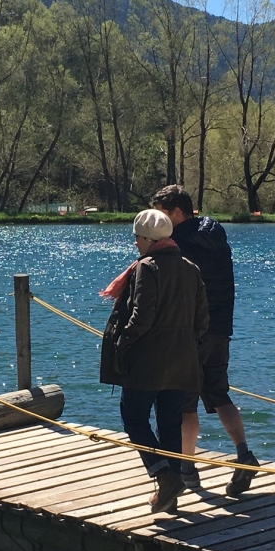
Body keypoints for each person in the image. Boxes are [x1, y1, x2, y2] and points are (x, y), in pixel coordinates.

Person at [152, 184, 260, 497]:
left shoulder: (178, 243)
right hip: (220, 330)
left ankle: (186, 469)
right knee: (219, 393)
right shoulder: (216, 235)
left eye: (161, 215)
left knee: (185, 404)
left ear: (176, 212)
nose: (159, 222)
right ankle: (244, 454)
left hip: (191, 332)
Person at [100, 209, 209, 514]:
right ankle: (169, 494)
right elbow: (203, 320)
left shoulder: (147, 268)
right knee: (170, 424)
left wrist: (122, 343)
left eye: (137, 237)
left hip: (149, 363)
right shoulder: (190, 267)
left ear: (148, 238)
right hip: (183, 361)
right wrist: (186, 344)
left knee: (133, 418)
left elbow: (140, 317)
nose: (135, 243)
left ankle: (163, 475)